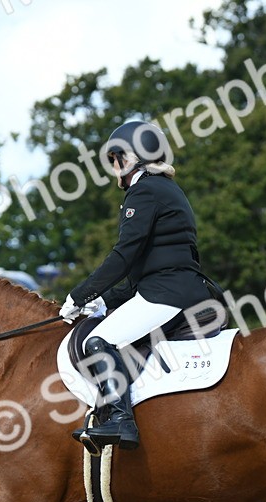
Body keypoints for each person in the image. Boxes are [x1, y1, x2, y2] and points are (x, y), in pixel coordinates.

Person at [59, 120, 213, 451]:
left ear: (130, 157)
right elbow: (149, 265)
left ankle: (120, 420)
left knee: (99, 341)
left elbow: (124, 256)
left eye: (115, 158)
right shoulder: (167, 189)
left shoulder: (144, 191)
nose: (113, 167)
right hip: (174, 286)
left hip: (168, 294)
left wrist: (79, 294)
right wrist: (101, 301)